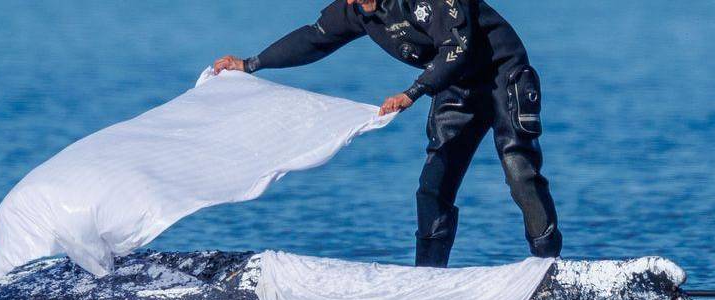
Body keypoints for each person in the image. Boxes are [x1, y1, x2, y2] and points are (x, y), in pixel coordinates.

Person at [212, 0, 561, 267]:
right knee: (432, 188)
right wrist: (250, 64)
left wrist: (412, 93)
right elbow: (313, 39)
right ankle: (427, 280)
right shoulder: (357, 9)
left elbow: (458, 47)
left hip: (502, 71)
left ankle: (547, 266)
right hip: (455, 85)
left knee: (519, 167)